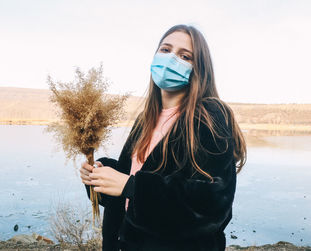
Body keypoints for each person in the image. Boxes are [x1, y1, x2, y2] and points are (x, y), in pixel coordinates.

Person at [80, 24, 247, 251]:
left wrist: (132, 186)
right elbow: (127, 197)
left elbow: (212, 204)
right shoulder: (146, 119)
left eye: (184, 56)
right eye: (165, 50)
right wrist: (101, 176)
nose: (171, 59)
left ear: (199, 68)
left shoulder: (209, 117)